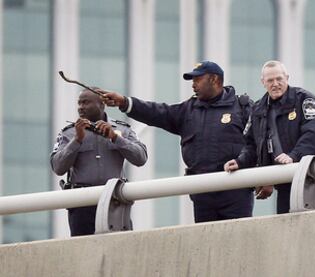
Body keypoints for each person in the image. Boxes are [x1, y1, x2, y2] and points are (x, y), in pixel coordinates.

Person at [98, 61, 254, 223]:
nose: (193, 85)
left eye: (198, 80)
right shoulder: (188, 110)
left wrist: (265, 179)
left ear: (215, 80)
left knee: (238, 244)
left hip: (236, 191)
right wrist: (124, 102)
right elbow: (157, 113)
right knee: (207, 245)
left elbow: (257, 143)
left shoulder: (241, 108)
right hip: (202, 193)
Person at [224, 60, 315, 214]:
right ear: (263, 82)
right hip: (284, 178)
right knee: (288, 228)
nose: (275, 84)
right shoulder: (258, 109)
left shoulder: (305, 100)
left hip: (313, 176)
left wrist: (293, 156)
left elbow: (313, 134)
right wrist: (240, 161)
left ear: (287, 78)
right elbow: (252, 145)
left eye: (279, 79)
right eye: (270, 80)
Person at [51, 88, 148, 236]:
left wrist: (116, 138)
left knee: (119, 249)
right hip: (81, 203)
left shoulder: (122, 129)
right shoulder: (69, 133)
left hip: (114, 202)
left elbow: (141, 158)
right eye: (79, 103)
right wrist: (77, 140)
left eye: (86, 102)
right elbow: (58, 167)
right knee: (84, 251)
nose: (81, 107)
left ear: (101, 105)